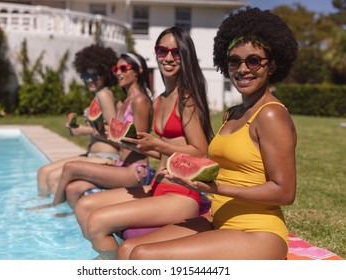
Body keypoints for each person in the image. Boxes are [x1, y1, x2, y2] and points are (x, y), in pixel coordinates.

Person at [118, 7, 298, 260]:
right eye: (234, 60)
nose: (243, 69)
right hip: (218, 218)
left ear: (273, 64)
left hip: (258, 231)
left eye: (254, 60)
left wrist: (218, 188)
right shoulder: (232, 113)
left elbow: (285, 192)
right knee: (127, 249)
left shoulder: (271, 114)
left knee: (143, 256)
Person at [74, 26, 214, 260]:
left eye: (176, 52)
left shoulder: (187, 97)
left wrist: (158, 145)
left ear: (186, 56)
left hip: (181, 195)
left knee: (97, 221)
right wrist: (123, 140)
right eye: (162, 51)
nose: (168, 58)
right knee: (84, 206)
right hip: (157, 186)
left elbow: (200, 150)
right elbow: (153, 147)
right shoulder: (160, 99)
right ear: (156, 53)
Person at [28, 52, 154, 211]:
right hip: (121, 165)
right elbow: (115, 133)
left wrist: (111, 135)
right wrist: (101, 130)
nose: (118, 73)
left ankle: (53, 207)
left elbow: (140, 143)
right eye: (116, 69)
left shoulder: (140, 100)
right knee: (72, 189)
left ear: (139, 70)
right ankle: (64, 220)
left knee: (70, 168)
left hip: (135, 171)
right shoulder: (123, 102)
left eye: (123, 68)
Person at [35, 45, 119, 197]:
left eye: (95, 75)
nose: (90, 80)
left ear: (105, 74)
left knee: (54, 177)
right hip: (92, 155)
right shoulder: (98, 94)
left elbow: (114, 132)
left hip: (107, 157)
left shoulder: (104, 95)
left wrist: (81, 130)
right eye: (85, 75)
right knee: (43, 172)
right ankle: (42, 212)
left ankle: (56, 217)